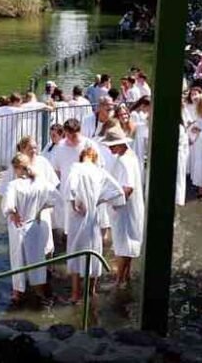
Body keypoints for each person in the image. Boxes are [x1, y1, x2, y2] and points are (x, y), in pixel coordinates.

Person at [62, 147, 124, 302]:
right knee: (94, 251)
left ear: (82, 156)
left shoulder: (75, 168)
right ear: (94, 158)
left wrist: (73, 204)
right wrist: (99, 200)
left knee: (76, 253)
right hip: (93, 217)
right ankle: (91, 292)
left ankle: (75, 294)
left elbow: (70, 188)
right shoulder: (100, 172)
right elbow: (118, 191)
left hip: (78, 217)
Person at [1, 154, 59, 301]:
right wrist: (43, 207)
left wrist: (12, 213)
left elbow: (8, 205)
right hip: (35, 225)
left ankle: (18, 292)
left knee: (18, 260)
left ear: (16, 169)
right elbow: (57, 198)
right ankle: (39, 291)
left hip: (19, 226)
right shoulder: (40, 183)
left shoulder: (13, 185)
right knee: (37, 259)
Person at [103, 129, 144, 286]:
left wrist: (115, 203)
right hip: (134, 207)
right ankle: (125, 276)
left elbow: (128, 188)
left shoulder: (123, 161)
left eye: (112, 145)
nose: (109, 149)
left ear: (120, 144)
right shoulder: (131, 155)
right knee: (130, 242)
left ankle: (119, 280)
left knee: (122, 245)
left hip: (125, 209)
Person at [50, 119, 101, 232]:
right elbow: (56, 171)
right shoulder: (59, 147)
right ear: (65, 133)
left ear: (80, 132)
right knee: (69, 226)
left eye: (75, 136)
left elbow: (99, 168)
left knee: (88, 226)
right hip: (67, 192)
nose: (72, 139)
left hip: (87, 190)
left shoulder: (89, 145)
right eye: (69, 136)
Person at [0, 93, 24, 167]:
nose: (21, 105)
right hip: (11, 144)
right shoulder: (16, 110)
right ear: (16, 102)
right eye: (20, 103)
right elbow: (32, 110)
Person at [177, 123, 190, 206]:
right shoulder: (181, 127)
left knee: (178, 180)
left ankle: (178, 200)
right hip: (181, 156)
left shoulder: (180, 128)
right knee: (179, 180)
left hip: (179, 156)